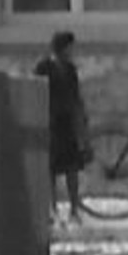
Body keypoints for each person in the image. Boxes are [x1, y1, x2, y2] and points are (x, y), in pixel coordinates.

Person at [34, 31, 92, 225]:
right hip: (49, 120)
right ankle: (52, 208)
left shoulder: (70, 69)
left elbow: (76, 97)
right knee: (50, 167)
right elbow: (37, 92)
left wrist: (81, 119)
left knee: (72, 167)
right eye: (69, 47)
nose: (72, 51)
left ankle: (74, 208)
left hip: (67, 122)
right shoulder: (44, 67)